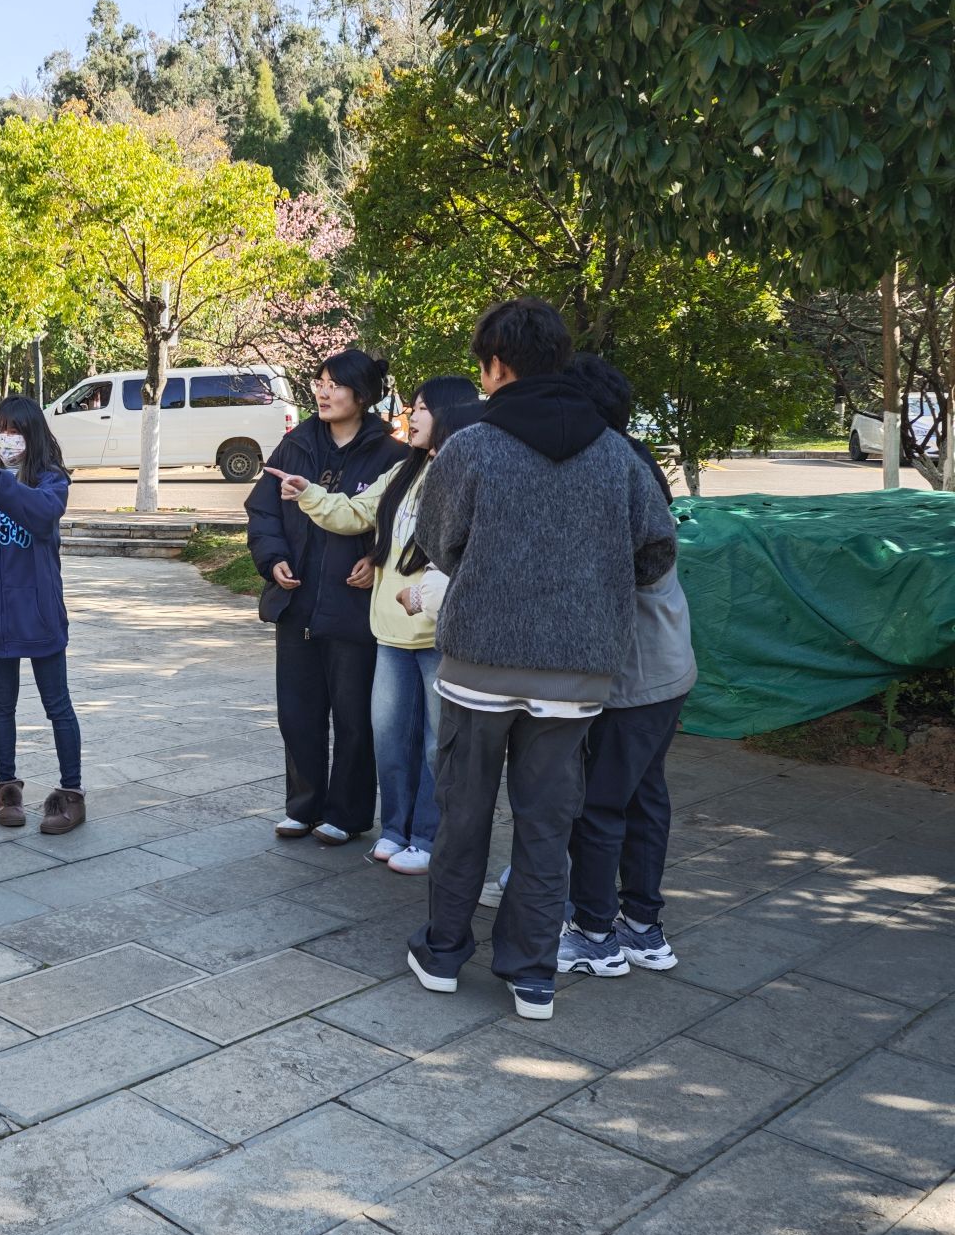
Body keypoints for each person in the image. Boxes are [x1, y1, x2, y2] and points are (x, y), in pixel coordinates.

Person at [405, 299, 678, 1021]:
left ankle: (443, 952)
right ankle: (531, 974)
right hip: (576, 673)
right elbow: (656, 551)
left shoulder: (471, 447)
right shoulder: (617, 454)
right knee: (547, 825)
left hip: (479, 666)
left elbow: (437, 542)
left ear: (497, 365)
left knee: (464, 814)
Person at [275, 375, 483, 874]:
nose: (411, 416)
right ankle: (395, 829)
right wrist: (309, 494)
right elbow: (356, 513)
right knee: (390, 741)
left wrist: (424, 595)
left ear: (450, 413)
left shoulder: (467, 472)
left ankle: (428, 837)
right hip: (389, 631)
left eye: (422, 408)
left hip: (438, 635)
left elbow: (467, 555)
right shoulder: (406, 470)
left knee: (435, 746)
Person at [557, 353, 697, 978]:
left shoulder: (612, 468)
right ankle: (641, 926)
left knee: (600, 805)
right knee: (643, 797)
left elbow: (634, 566)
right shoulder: (633, 458)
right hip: (664, 666)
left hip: (633, 674)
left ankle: (594, 934)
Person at [246, 348, 407, 846]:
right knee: (298, 713)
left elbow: (404, 525)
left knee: (354, 717)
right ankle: (303, 806)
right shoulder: (295, 444)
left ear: (363, 394)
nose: (323, 391)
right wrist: (273, 559)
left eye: (335, 384)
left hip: (353, 608)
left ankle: (347, 813)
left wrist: (377, 559)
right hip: (296, 603)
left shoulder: (391, 455)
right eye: (320, 381)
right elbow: (263, 512)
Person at [0, 395, 84, 834]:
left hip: (39, 614)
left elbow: (42, 515)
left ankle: (71, 793)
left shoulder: (52, 480)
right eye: (0, 430)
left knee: (58, 705)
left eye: (15, 431)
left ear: (32, 434)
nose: (6, 439)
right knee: (2, 705)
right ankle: (7, 790)